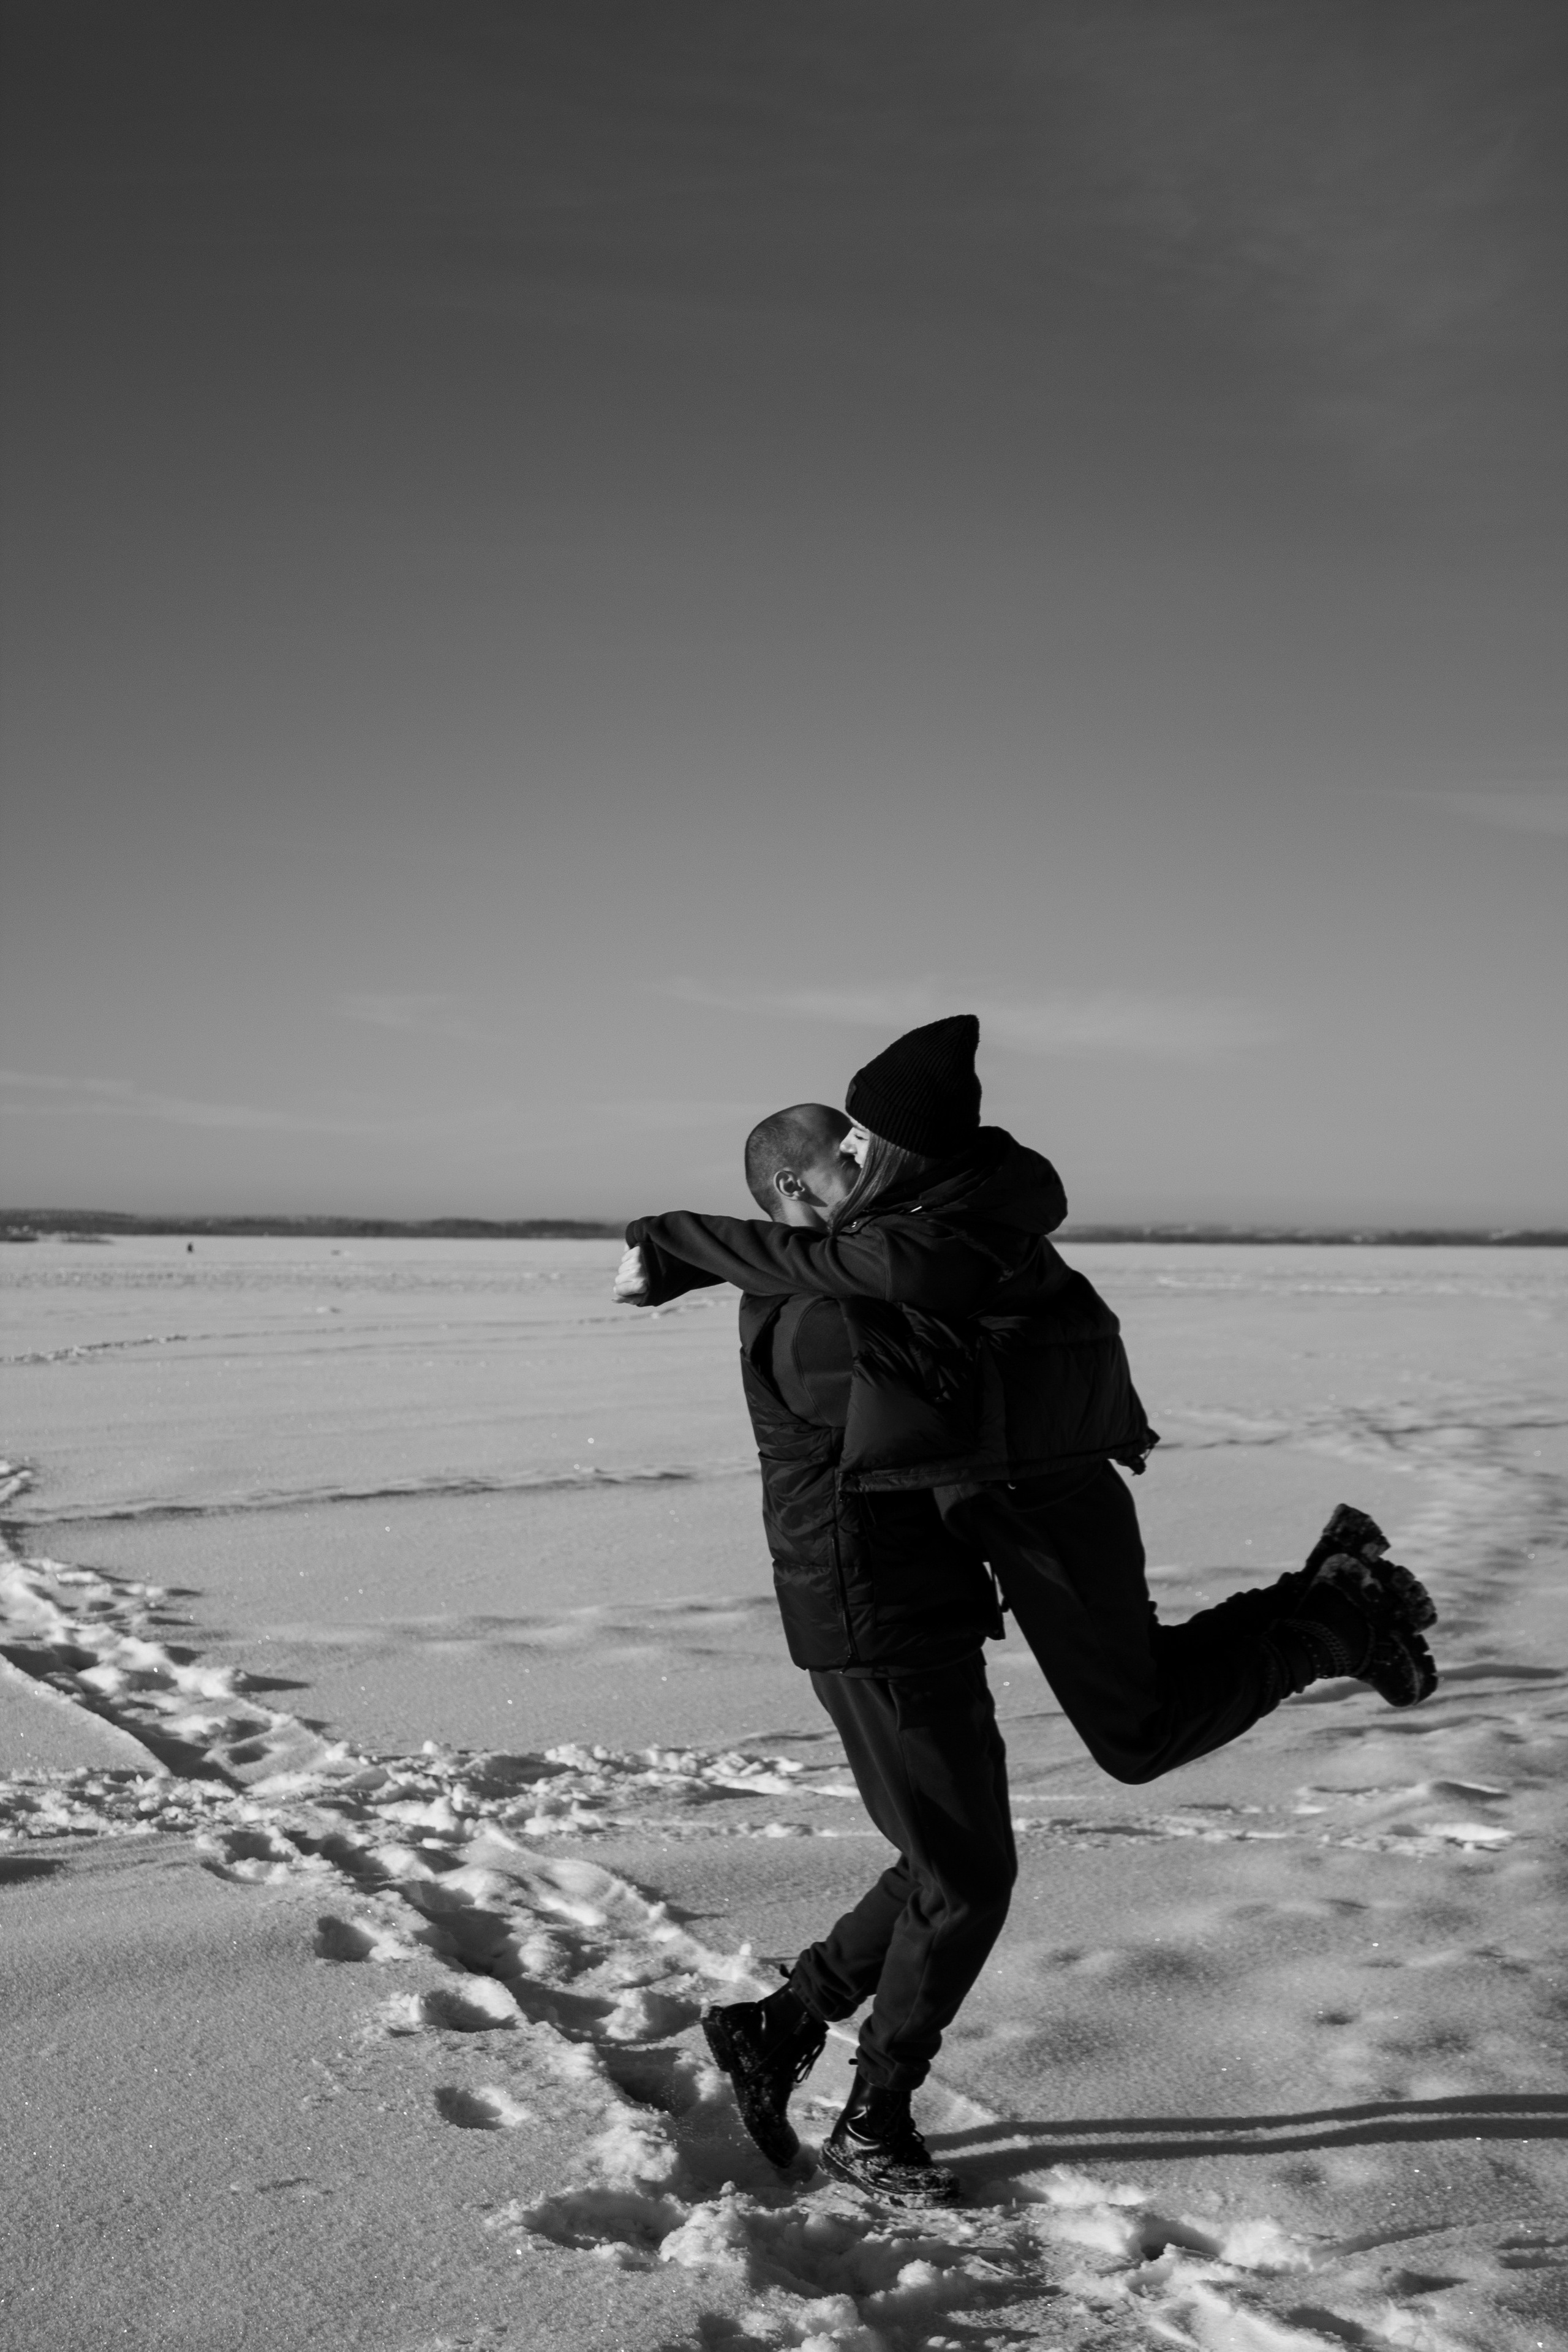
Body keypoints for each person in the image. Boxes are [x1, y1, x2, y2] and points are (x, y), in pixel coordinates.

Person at [616, 1021, 1438, 2192]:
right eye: (846, 1154)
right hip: (870, 1621)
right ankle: (874, 2116)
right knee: (963, 1879)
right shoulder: (821, 1318)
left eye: (869, 1144)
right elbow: (934, 1335)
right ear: (801, 1189)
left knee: (936, 1862)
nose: (866, 1163)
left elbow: (951, 1333)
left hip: (926, 1604)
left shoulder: (860, 1279)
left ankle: (779, 2028)